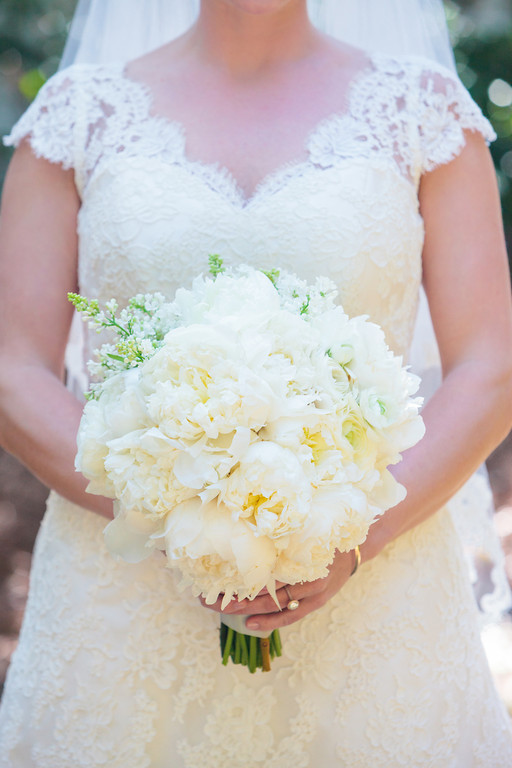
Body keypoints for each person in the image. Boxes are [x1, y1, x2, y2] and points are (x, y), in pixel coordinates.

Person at [0, 0, 512, 765]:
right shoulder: (77, 116)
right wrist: (181, 518)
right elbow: (12, 367)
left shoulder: (422, 111)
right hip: (124, 592)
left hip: (374, 591)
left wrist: (341, 537)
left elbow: (491, 366)